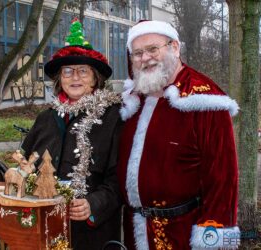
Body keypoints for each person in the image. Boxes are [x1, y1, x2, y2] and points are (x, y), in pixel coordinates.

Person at [117, 20, 240, 249]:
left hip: (182, 232)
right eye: (138, 53)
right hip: (135, 231)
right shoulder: (132, 101)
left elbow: (224, 181)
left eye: (153, 49)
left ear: (175, 47)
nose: (145, 58)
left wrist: (213, 241)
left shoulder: (205, 101)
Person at [22, 19, 123, 250]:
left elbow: (120, 179)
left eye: (83, 71)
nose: (75, 77)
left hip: (90, 231)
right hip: (44, 225)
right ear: (60, 79)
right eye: (67, 71)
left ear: (95, 78)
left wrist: (93, 204)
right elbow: (25, 164)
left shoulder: (112, 117)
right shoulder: (45, 118)